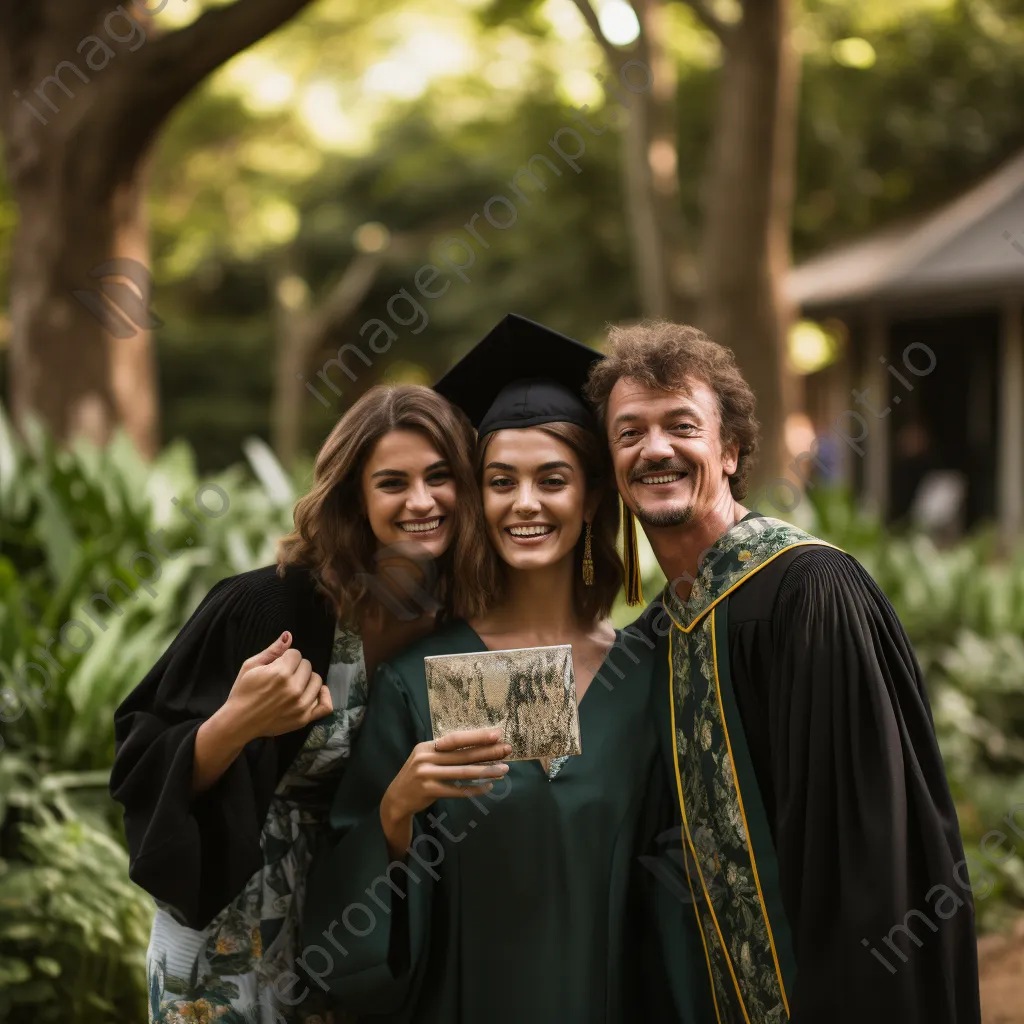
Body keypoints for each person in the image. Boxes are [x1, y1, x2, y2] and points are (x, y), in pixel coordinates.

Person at [584, 319, 982, 1023]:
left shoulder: (810, 593)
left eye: (681, 425)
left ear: (731, 449)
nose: (655, 449)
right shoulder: (659, 634)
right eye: (629, 432)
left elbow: (867, 852)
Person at [301, 315, 694, 1023]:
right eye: (500, 481)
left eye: (553, 479)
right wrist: (395, 813)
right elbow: (340, 930)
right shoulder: (418, 677)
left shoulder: (649, 672)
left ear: (593, 496)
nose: (525, 504)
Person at [109, 384, 490, 1024]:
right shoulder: (270, 607)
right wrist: (234, 723)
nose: (421, 501)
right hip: (230, 911)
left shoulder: (463, 618)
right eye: (393, 482)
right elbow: (139, 763)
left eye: (440, 477)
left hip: (356, 905)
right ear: (355, 496)